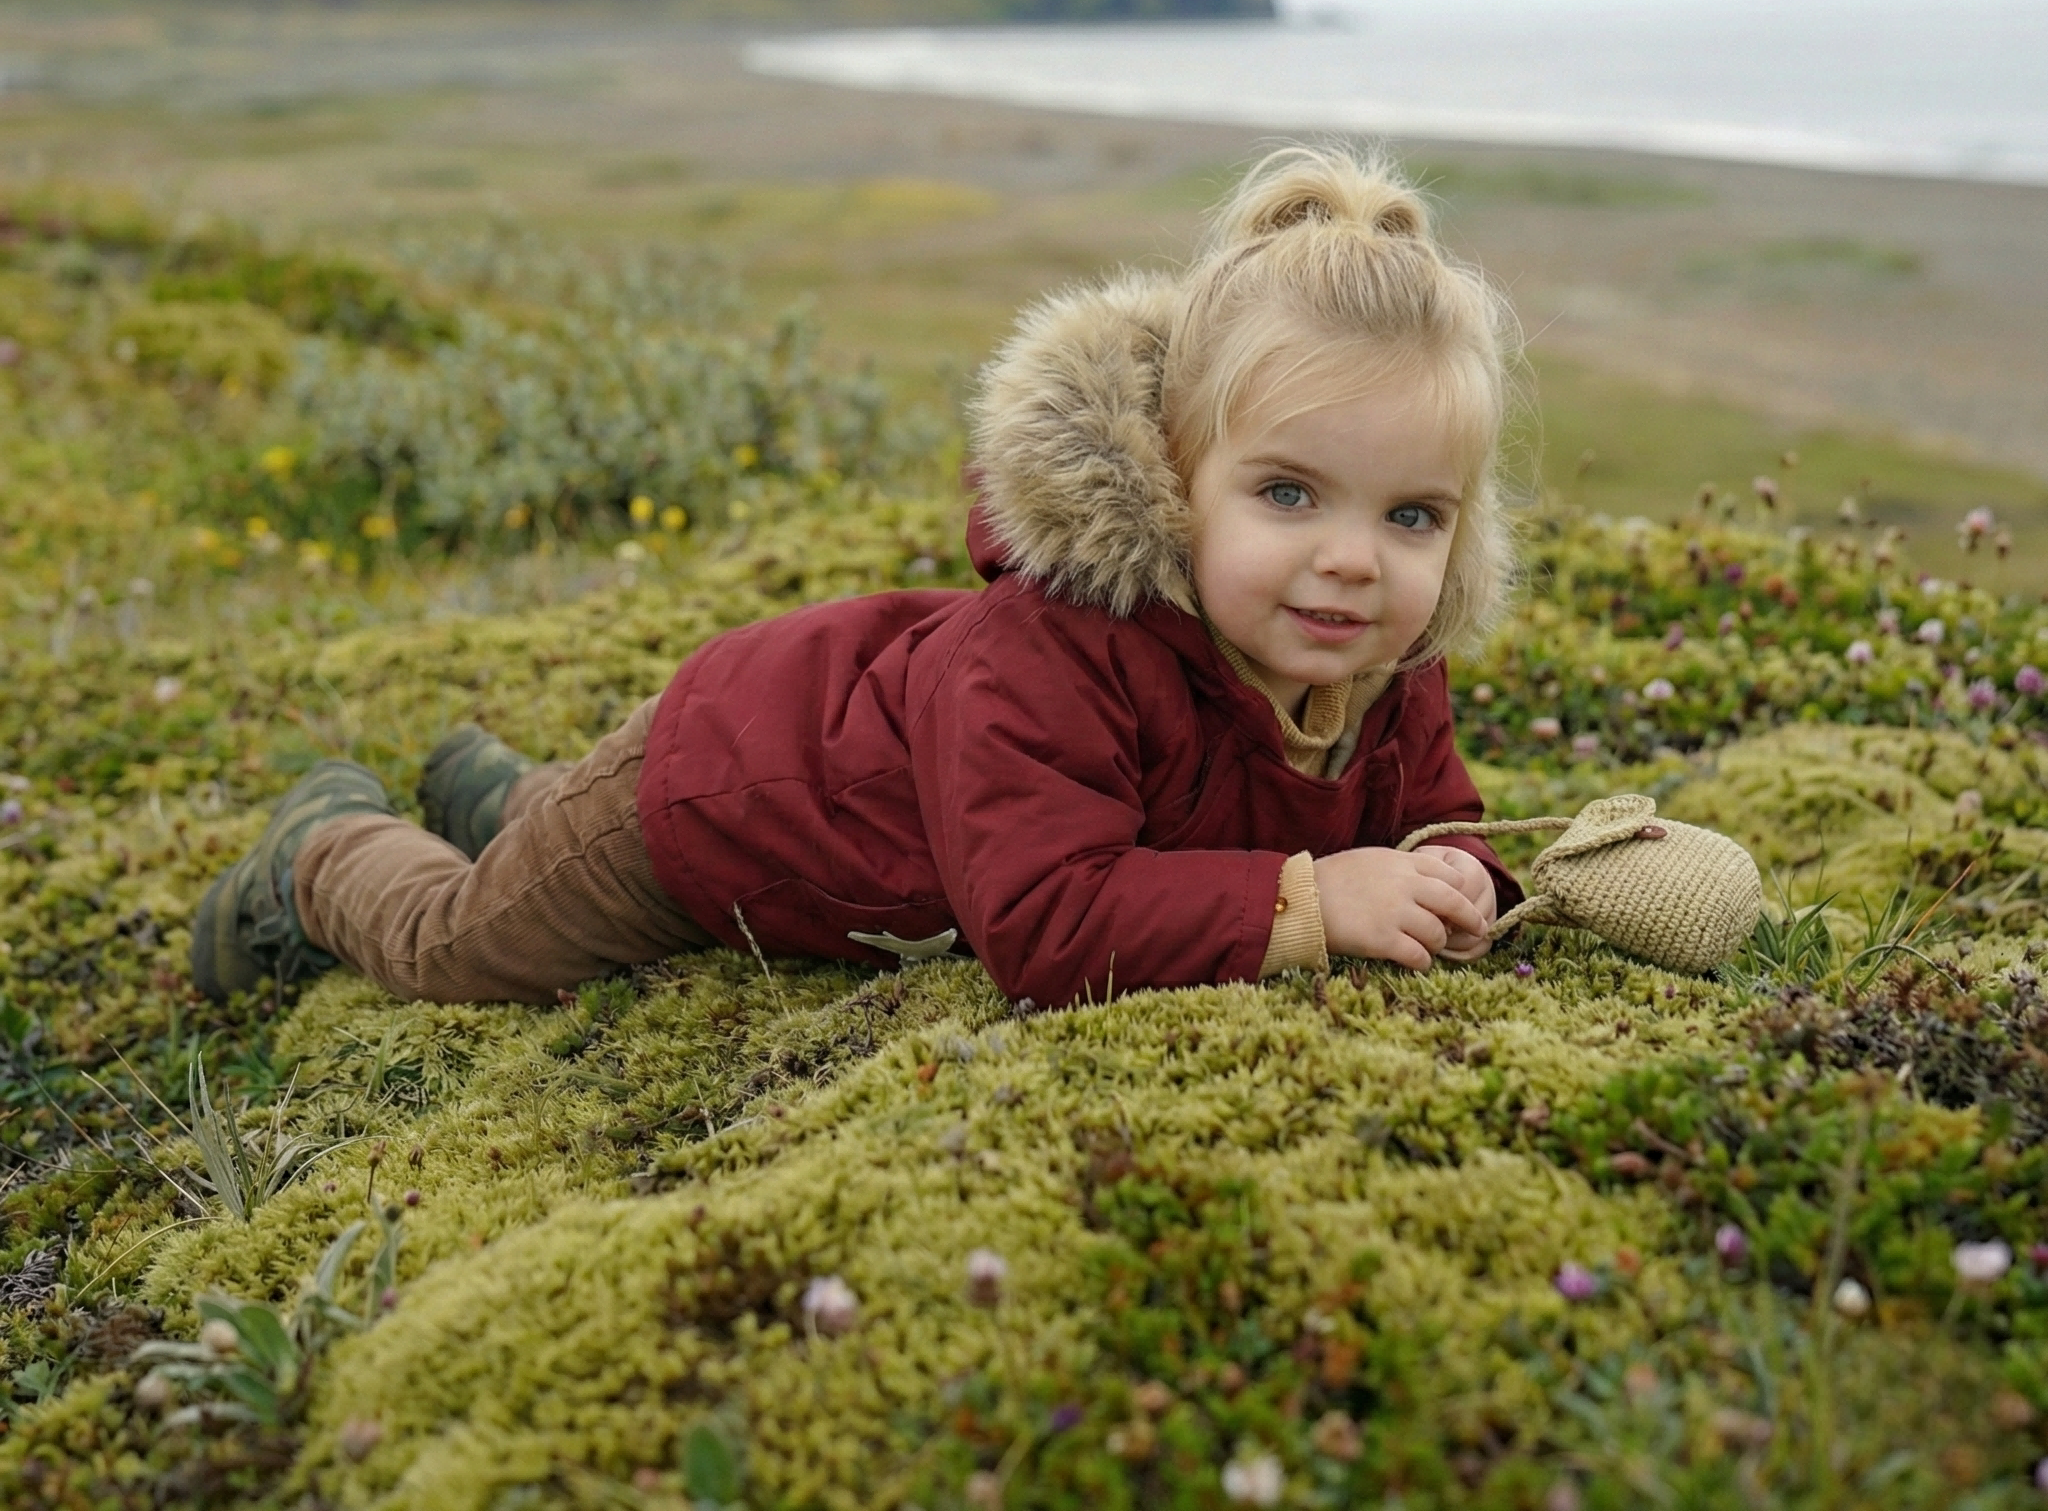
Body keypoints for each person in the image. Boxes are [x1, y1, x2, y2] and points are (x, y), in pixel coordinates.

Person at [190, 143, 1525, 1014]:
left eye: (1412, 516)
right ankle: (325, 845)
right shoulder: (1052, 661)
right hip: (716, 803)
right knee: (461, 951)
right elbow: (1049, 921)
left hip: (846, 795)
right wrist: (1314, 899)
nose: (1353, 559)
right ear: (1174, 475)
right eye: (1288, 494)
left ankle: (496, 790)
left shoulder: (1377, 663)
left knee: (544, 835)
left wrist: (1463, 873)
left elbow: (1432, 816)